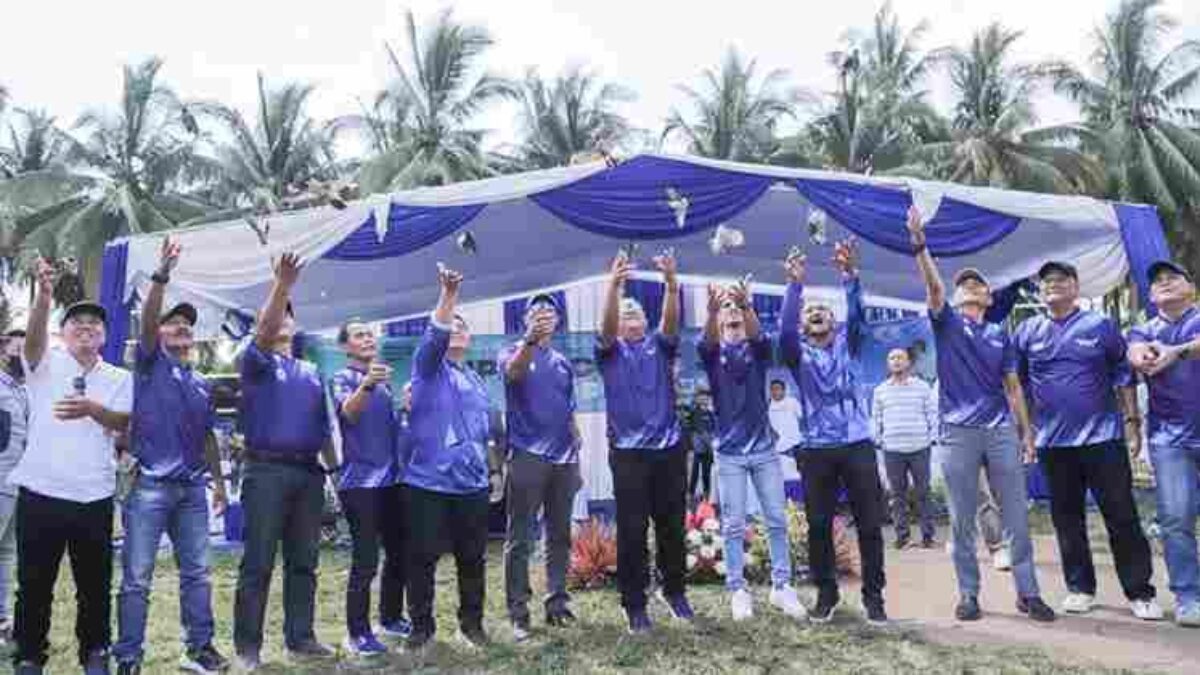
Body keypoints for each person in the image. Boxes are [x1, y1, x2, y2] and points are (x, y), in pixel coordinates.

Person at [906, 206, 1055, 623]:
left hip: (1000, 430)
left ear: (989, 298)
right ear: (954, 298)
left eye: (978, 283)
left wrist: (1026, 433)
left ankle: (1028, 593)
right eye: (963, 284)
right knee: (962, 520)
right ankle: (969, 594)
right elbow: (933, 286)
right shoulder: (947, 323)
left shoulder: (999, 334)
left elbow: (1013, 386)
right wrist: (919, 243)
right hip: (957, 431)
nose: (970, 285)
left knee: (1016, 516)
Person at [1013, 260, 1160, 620]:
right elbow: (1017, 387)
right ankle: (1080, 588)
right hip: (1052, 444)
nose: (1053, 284)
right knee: (1067, 519)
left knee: (1121, 515)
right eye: (1046, 281)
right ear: (1040, 290)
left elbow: (1123, 374)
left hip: (1103, 439)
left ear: (1076, 287)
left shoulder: (1100, 325)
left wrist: (1132, 422)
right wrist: (1026, 432)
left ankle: (1140, 592)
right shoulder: (1027, 330)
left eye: (1061, 279)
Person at [11, 258, 133, 675]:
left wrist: (92, 410)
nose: (86, 327)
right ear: (62, 333)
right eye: (77, 322)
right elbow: (31, 343)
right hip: (40, 492)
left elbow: (125, 424)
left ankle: (95, 652)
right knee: (34, 583)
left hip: (94, 496)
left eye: (94, 323)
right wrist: (44, 297)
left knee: (94, 585)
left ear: (104, 335)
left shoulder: (119, 377)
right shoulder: (45, 364)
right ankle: (30, 655)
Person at [115, 238, 231, 675]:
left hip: (192, 491)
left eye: (187, 324)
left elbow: (208, 439)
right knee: (136, 579)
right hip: (148, 487)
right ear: (157, 334)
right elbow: (147, 322)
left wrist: (219, 485)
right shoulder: (149, 365)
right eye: (173, 323)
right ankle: (129, 658)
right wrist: (162, 275)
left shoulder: (201, 383)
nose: (182, 327)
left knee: (198, 574)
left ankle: (198, 650)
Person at [233, 253, 338, 671]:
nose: (280, 320)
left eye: (287, 314)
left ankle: (301, 638)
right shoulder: (255, 362)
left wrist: (334, 473)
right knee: (258, 562)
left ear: (295, 325)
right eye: (274, 314)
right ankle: (248, 647)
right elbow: (263, 330)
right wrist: (282, 285)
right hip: (266, 471)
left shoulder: (311, 371)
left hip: (308, 473)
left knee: (304, 562)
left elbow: (324, 427)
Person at [780, 241, 888, 624]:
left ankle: (874, 597)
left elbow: (857, 314)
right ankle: (826, 593)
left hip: (857, 445)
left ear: (834, 320)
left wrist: (849, 276)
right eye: (809, 311)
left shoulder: (850, 345)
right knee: (819, 525)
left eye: (823, 309)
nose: (816, 313)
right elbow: (785, 333)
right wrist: (795, 286)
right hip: (816, 450)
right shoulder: (797, 355)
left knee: (870, 524)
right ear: (803, 324)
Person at [596, 250, 694, 634]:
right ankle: (634, 604)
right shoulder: (609, 352)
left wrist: (670, 284)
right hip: (628, 453)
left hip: (668, 448)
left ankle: (675, 592)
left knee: (671, 526)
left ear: (645, 320)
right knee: (632, 530)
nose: (630, 315)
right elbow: (606, 328)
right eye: (624, 313)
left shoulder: (659, 345)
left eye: (635, 311)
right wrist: (613, 287)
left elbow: (670, 324)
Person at [699, 280, 805, 622]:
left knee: (775, 519)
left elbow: (759, 336)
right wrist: (712, 310)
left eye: (737, 308)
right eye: (726, 308)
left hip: (763, 451)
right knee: (733, 524)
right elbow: (707, 339)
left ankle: (781, 587)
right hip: (729, 453)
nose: (732, 311)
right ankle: (737, 589)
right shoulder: (711, 354)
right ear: (719, 321)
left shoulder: (759, 351)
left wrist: (745, 305)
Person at [403, 264, 492, 651]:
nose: (455, 328)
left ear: (469, 339)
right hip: (428, 483)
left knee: (472, 559)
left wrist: (492, 471)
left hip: (472, 485)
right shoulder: (427, 369)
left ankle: (472, 625)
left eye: (462, 325)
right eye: (450, 324)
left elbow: (484, 433)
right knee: (422, 559)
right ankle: (421, 628)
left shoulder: (475, 380)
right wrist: (449, 296)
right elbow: (436, 333)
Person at [498, 293, 582, 642]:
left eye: (550, 310)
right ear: (525, 320)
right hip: (527, 456)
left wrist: (576, 454)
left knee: (559, 535)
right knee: (520, 538)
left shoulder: (562, 362)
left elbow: (569, 410)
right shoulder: (512, 351)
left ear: (558, 321)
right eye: (537, 310)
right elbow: (513, 373)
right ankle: (518, 613)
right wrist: (530, 341)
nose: (544, 314)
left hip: (564, 460)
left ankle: (557, 604)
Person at [1127, 259, 1200, 627]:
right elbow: (1135, 352)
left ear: (1191, 288)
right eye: (1157, 280)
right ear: (1151, 296)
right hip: (1169, 439)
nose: (1165, 282)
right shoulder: (1145, 328)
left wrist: (1177, 352)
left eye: (1174, 277)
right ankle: (1189, 597)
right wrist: (1144, 356)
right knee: (1176, 518)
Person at [329, 320, 408, 657]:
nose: (367, 339)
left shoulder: (385, 384)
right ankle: (358, 633)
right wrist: (367, 384)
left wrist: (404, 408)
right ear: (345, 346)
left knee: (399, 553)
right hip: (359, 482)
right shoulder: (342, 378)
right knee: (366, 560)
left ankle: (390, 618)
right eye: (359, 335)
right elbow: (348, 415)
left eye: (369, 334)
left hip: (391, 480)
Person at [872, 346, 939, 550]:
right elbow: (876, 418)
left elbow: (932, 413)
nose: (896, 361)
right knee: (897, 495)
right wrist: (878, 439)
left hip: (920, 446)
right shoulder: (880, 391)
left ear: (908, 362)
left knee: (923, 493)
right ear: (888, 364)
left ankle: (928, 536)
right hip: (892, 449)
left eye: (900, 357)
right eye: (892, 358)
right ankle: (902, 537)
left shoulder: (922, 387)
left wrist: (932, 437)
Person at [0, 329, 27, 646]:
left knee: (7, 553)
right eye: (15, 349)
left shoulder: (26, 390)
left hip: (20, 484)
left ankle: (3, 620)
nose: (20, 354)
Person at [768, 379, 804, 481]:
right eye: (772, 389)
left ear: (784, 390)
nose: (775, 392)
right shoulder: (767, 405)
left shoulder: (792, 402)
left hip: (795, 446)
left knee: (799, 476)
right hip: (778, 448)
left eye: (777, 389)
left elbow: (802, 420)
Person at [688, 390, 716, 502]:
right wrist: (710, 446)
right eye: (701, 397)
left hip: (708, 450)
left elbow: (714, 430)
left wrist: (712, 445)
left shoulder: (710, 414)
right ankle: (690, 495)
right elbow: (700, 431)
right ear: (697, 399)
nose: (704, 399)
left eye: (706, 398)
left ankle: (706, 496)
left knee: (706, 473)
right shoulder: (695, 413)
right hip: (698, 449)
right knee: (694, 473)